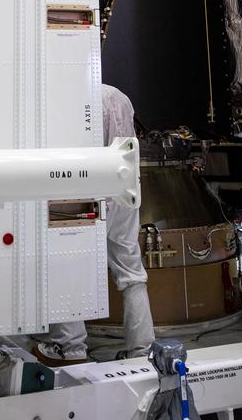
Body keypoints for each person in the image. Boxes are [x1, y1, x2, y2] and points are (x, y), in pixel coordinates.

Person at [34, 84, 155, 364]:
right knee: (132, 273)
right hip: (124, 191)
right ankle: (142, 348)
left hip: (84, 191)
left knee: (68, 266)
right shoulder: (120, 96)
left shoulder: (67, 95)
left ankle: (70, 348)